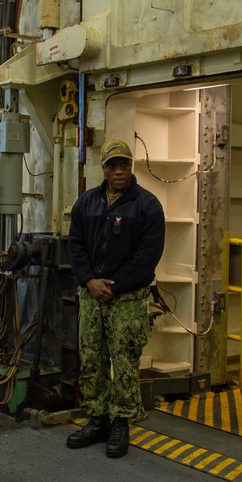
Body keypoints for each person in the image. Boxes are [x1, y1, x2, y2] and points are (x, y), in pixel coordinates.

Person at [66, 139, 165, 458]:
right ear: (104, 168)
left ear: (131, 166)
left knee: (123, 361)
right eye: (112, 165)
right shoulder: (86, 204)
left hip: (127, 299)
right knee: (92, 359)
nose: (118, 170)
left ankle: (121, 423)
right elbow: (76, 247)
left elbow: (148, 255)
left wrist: (115, 285)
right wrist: (90, 281)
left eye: (124, 164)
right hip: (92, 295)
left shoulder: (147, 206)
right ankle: (97, 419)